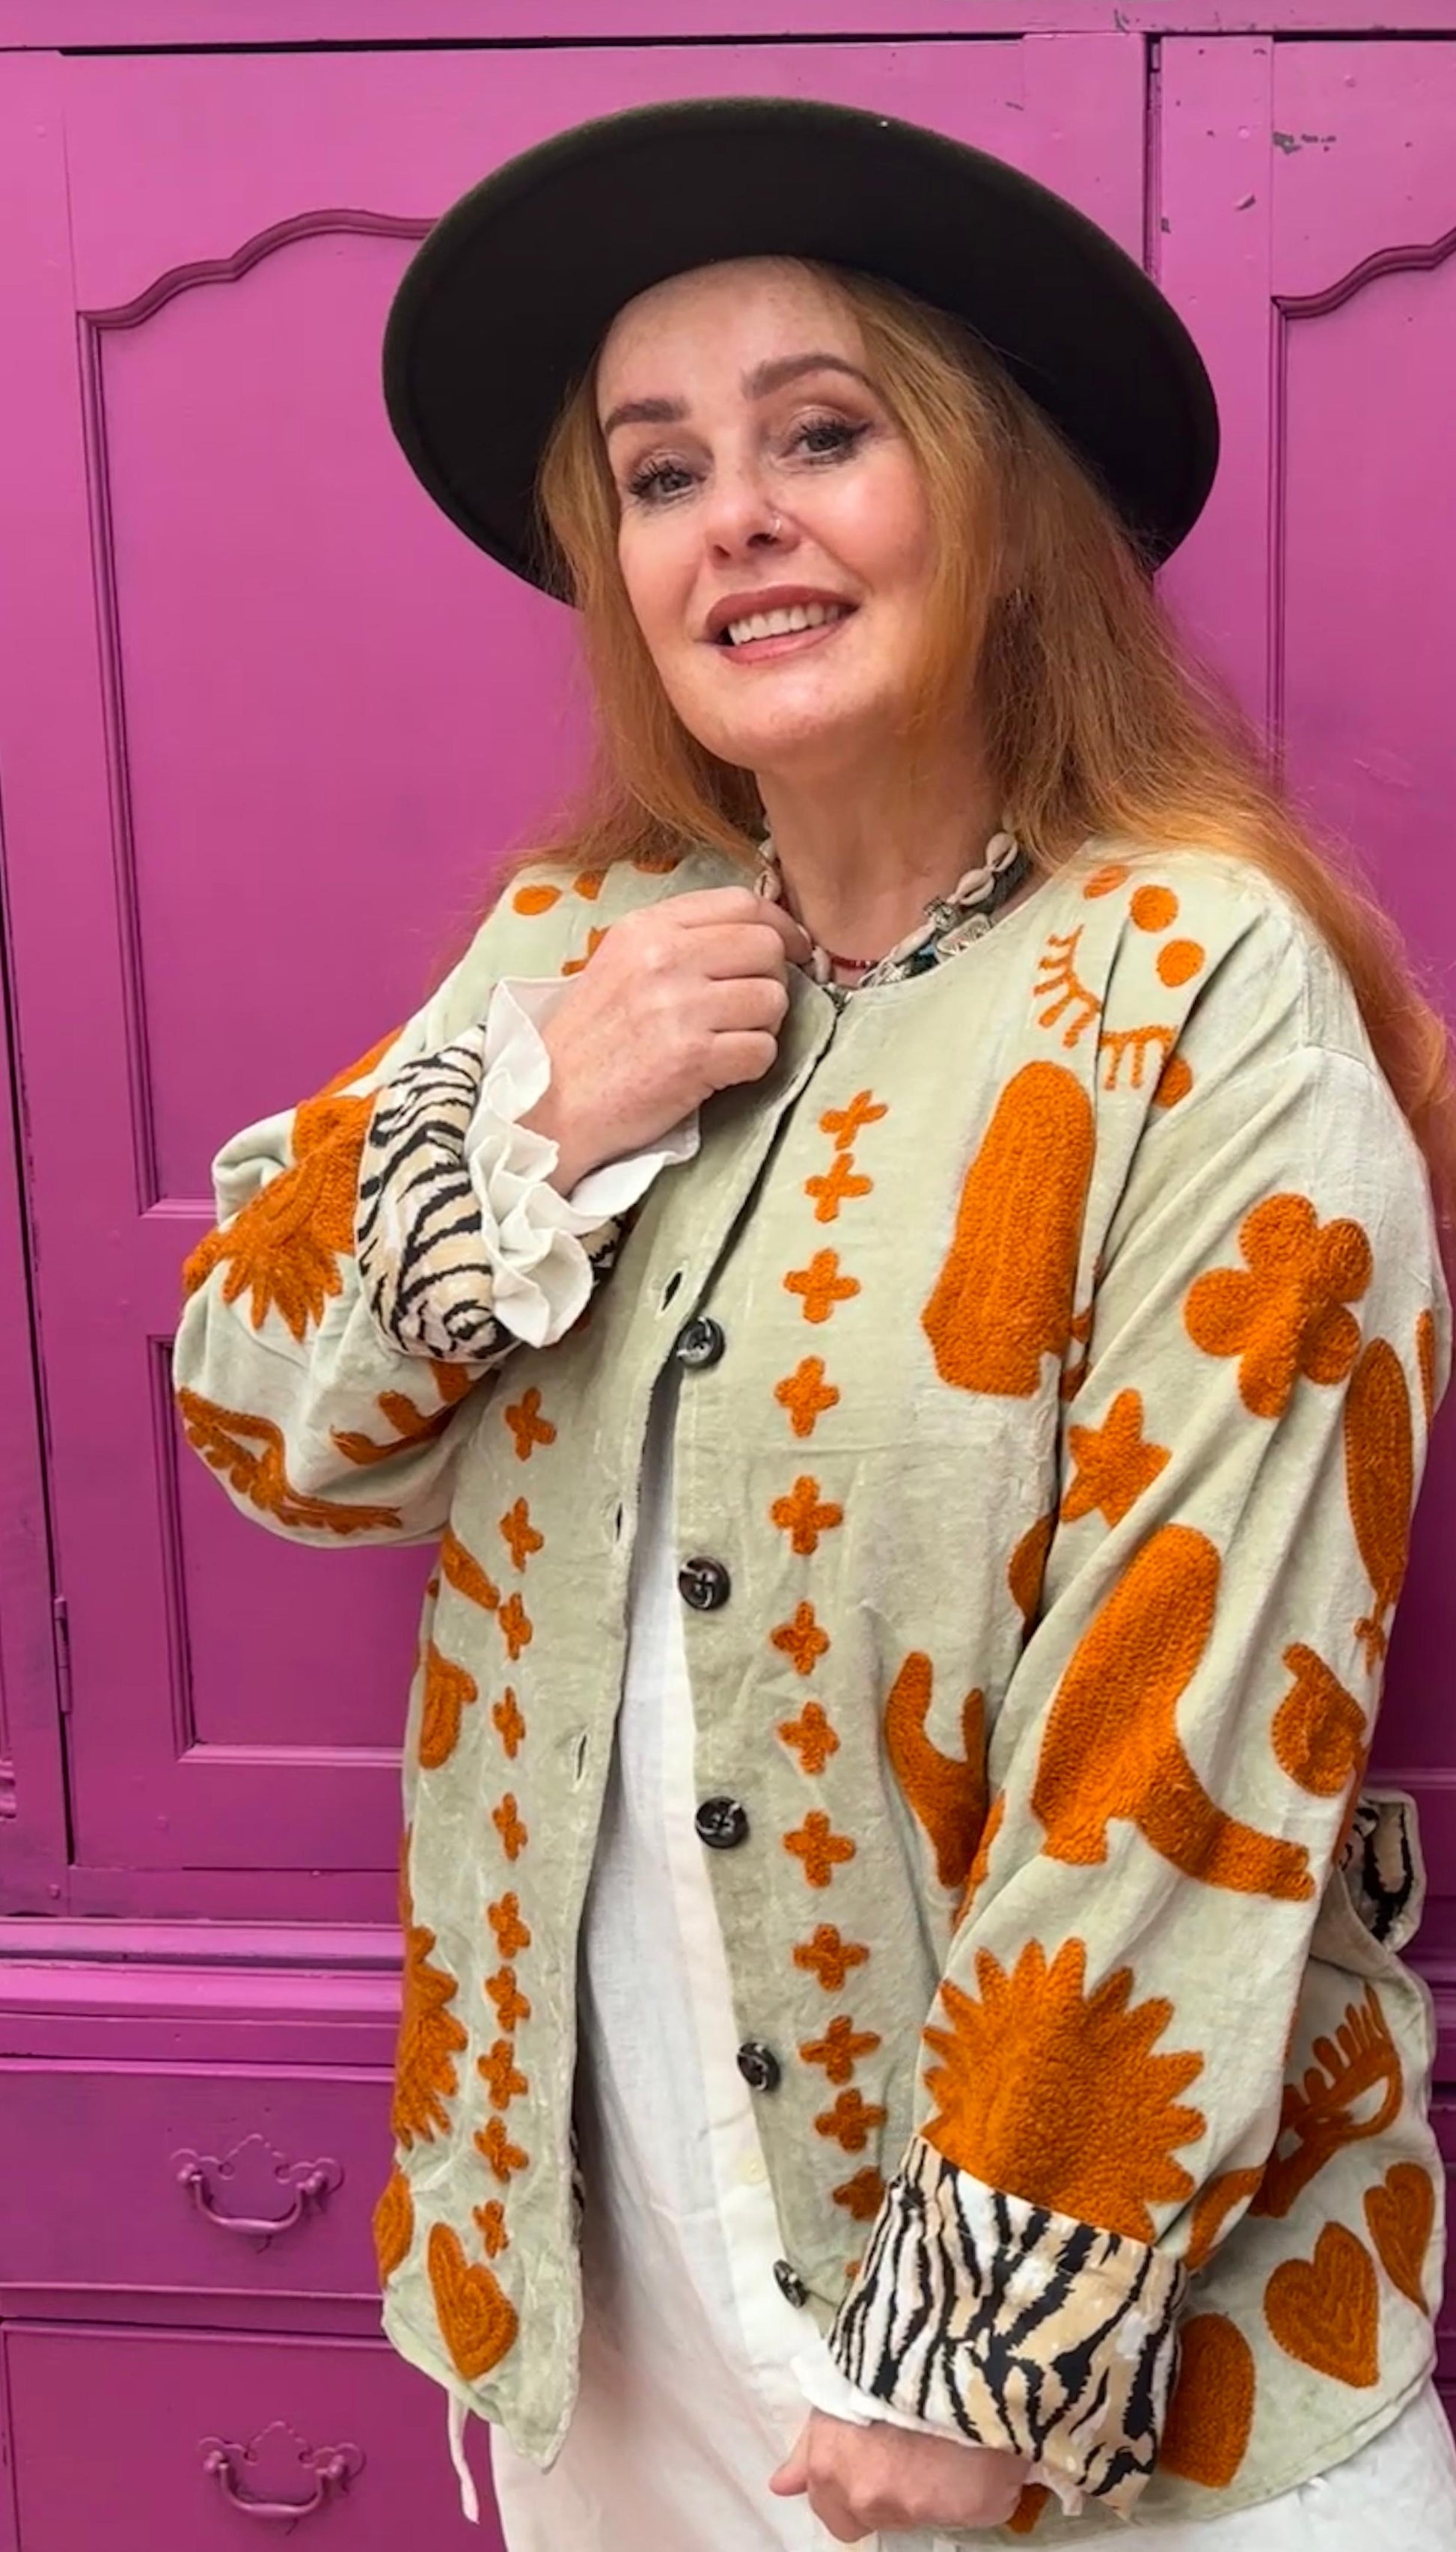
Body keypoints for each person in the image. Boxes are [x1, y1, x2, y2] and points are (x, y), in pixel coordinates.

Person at [173, 95, 1456, 2551]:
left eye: (821, 435)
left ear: (992, 497)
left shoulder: (1199, 985)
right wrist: (531, 1122)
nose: (731, 520)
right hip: (610, 2303)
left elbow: (1198, 1713)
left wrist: (979, 2340)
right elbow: (264, 1417)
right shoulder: (573, 950)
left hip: (1099, 2374)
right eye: (659, 474)